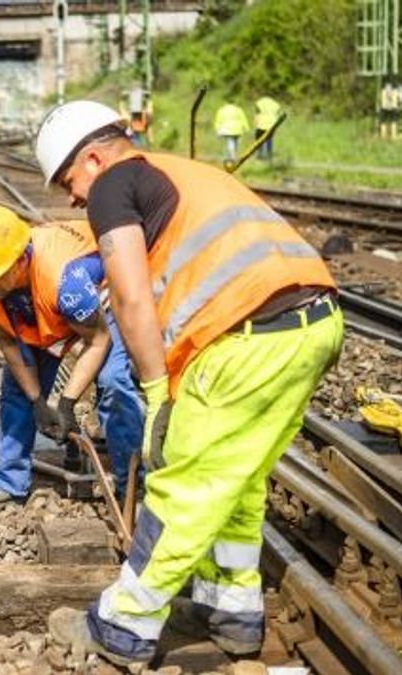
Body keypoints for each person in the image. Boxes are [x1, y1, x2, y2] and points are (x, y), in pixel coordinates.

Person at [35, 100, 342, 665]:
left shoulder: (111, 185)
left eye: (68, 182)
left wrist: (156, 396)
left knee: (183, 486)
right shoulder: (183, 171)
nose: (74, 200)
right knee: (239, 483)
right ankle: (232, 613)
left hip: (247, 339)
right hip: (313, 325)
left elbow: (129, 298)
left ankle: (123, 626)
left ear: (94, 158)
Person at [0, 206, 143, 513]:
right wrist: (37, 401)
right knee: (17, 390)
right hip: (47, 311)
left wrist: (67, 403)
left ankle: (132, 486)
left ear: (21, 261)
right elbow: (9, 342)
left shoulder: (64, 279)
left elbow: (97, 341)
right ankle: (8, 483)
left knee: (112, 383)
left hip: (101, 306)